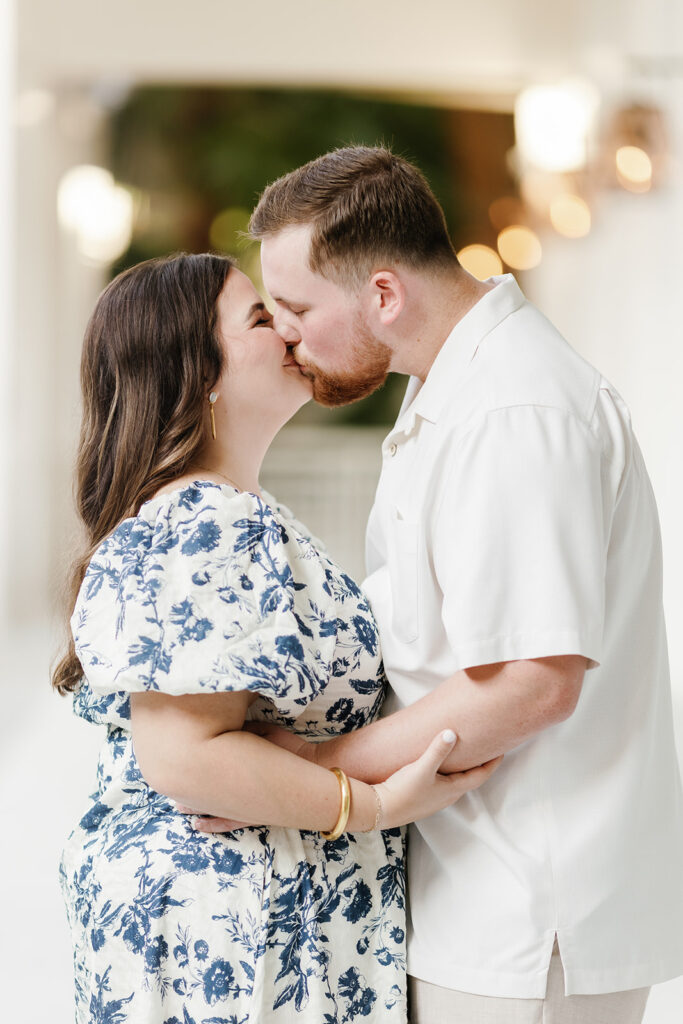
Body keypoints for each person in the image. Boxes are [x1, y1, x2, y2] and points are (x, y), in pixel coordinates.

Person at [192, 146, 683, 1024]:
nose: (289, 333)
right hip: (478, 900)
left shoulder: (512, 410)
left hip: (528, 918)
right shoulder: (454, 394)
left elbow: (534, 683)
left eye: (299, 307)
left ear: (383, 293)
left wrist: (307, 778)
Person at [54, 252, 500, 1024]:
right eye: (261, 318)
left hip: (242, 912)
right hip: (229, 927)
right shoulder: (207, 520)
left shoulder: (230, 512)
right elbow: (183, 758)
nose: (289, 328)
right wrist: (375, 805)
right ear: (200, 375)